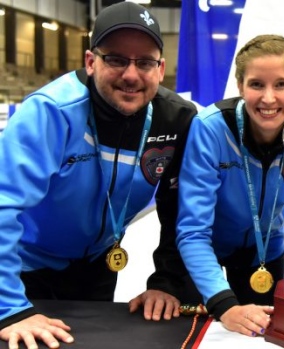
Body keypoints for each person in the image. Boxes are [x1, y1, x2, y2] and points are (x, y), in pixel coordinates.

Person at [0, 2, 198, 348]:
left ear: (160, 67)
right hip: (23, 269)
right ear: (92, 62)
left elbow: (183, 210)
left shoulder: (177, 119)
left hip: (98, 266)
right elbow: (3, 206)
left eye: (145, 62)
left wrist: (167, 282)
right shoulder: (50, 113)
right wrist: (10, 308)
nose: (131, 75)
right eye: (116, 59)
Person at [175, 34, 284, 337]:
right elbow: (193, 230)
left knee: (263, 338)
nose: (269, 99)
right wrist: (225, 305)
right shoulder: (211, 128)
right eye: (257, 84)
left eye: (281, 85)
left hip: (265, 256)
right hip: (204, 256)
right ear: (240, 85)